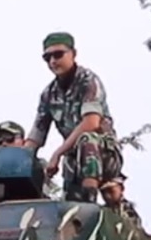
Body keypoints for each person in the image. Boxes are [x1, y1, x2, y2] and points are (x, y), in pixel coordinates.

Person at [24, 32, 124, 203]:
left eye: (58, 54)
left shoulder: (88, 81)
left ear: (73, 54)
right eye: (47, 58)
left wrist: (57, 154)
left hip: (103, 154)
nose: (53, 61)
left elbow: (91, 123)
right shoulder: (49, 94)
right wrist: (17, 158)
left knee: (87, 140)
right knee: (70, 210)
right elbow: (36, 136)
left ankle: (91, 199)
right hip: (73, 160)